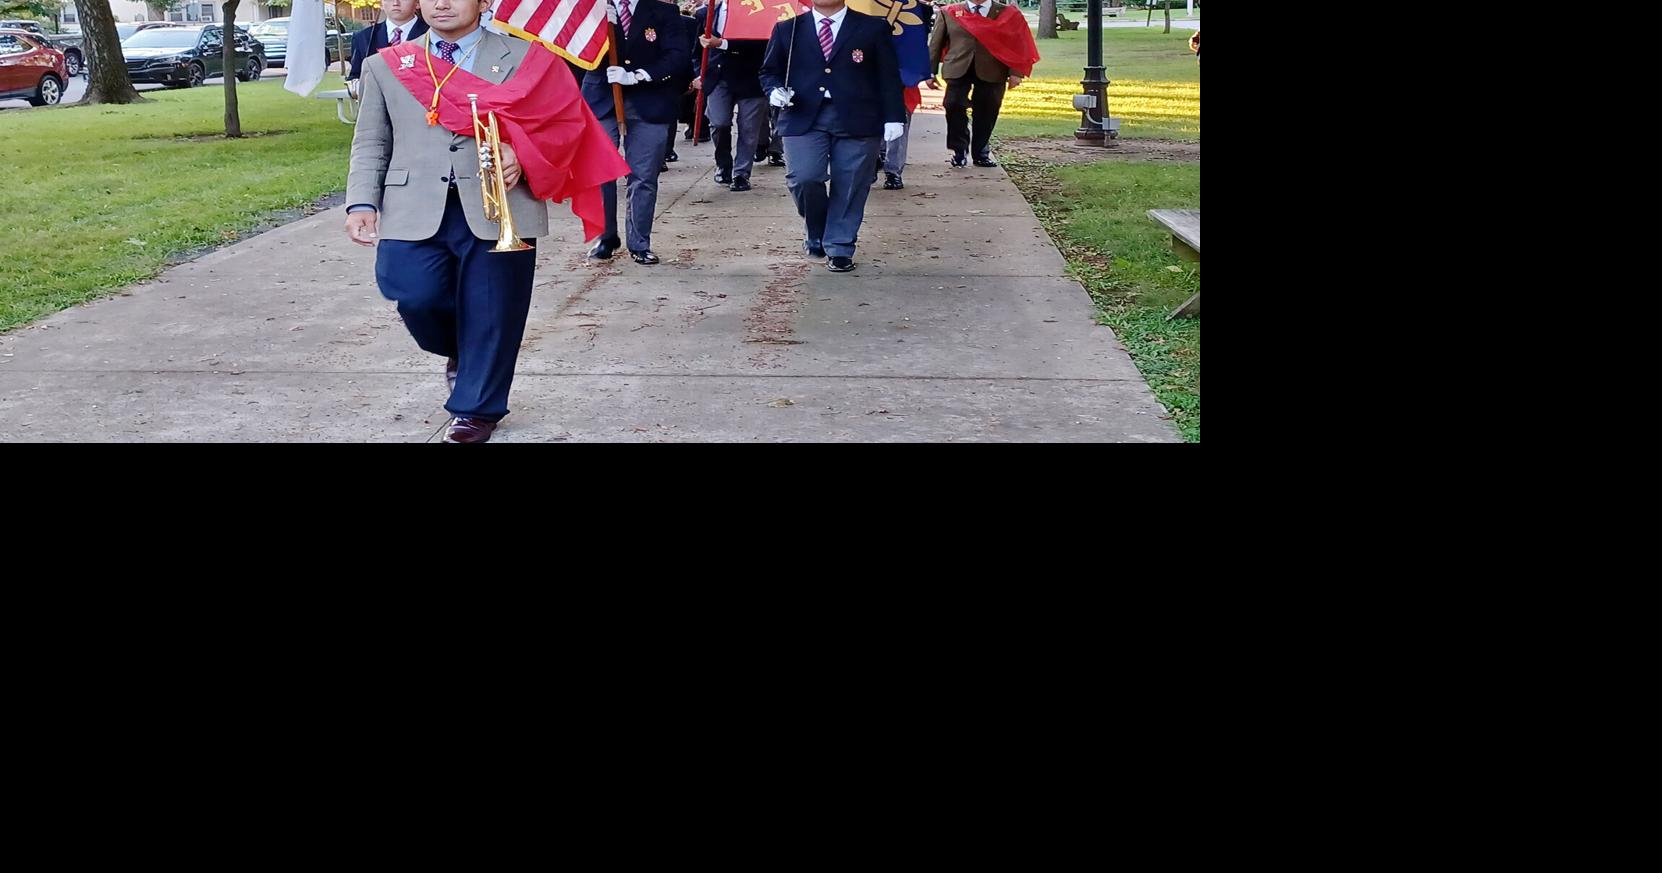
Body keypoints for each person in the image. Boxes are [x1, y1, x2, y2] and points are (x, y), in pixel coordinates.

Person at [760, 0, 905, 273]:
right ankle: (817, 229)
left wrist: (894, 116)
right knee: (804, 177)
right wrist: (774, 91)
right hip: (802, 115)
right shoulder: (788, 29)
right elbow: (769, 71)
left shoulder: (872, 27)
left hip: (859, 116)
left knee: (851, 181)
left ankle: (840, 246)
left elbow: (888, 75)